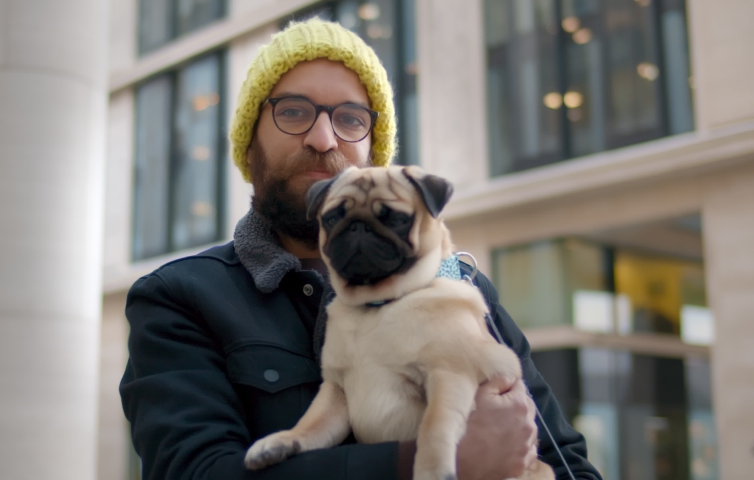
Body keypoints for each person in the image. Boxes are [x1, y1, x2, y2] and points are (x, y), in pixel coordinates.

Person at [120, 18, 602, 480]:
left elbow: (566, 462)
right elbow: (192, 472)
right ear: (249, 144)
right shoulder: (181, 297)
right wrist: (437, 463)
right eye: (293, 111)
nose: (323, 138)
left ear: (373, 151)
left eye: (350, 118)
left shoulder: (462, 286)